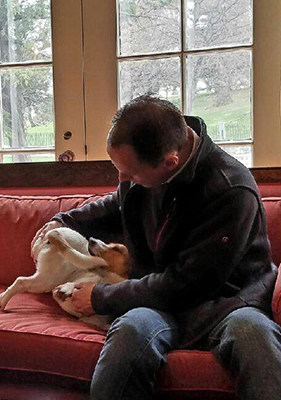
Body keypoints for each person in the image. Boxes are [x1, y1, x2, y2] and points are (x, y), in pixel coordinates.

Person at [32, 95, 281, 400]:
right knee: (129, 333)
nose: (122, 179)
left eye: (131, 173)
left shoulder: (231, 189)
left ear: (170, 162)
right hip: (156, 303)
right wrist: (65, 220)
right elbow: (120, 203)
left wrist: (100, 297)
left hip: (227, 304)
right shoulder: (150, 165)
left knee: (255, 336)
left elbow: (187, 284)